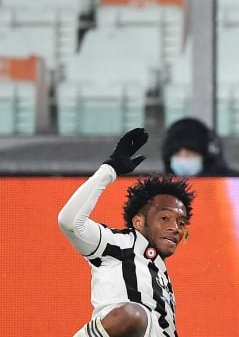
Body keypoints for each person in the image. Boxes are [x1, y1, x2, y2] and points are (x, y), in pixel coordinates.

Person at [58, 128, 195, 337]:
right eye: (165, 218)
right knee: (134, 316)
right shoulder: (120, 243)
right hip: (126, 325)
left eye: (181, 223)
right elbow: (69, 222)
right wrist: (109, 170)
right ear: (138, 222)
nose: (175, 228)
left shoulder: (161, 278)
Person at [161, 117, 239, 177]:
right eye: (177, 154)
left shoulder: (235, 183)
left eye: (189, 153)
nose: (183, 158)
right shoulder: (161, 189)